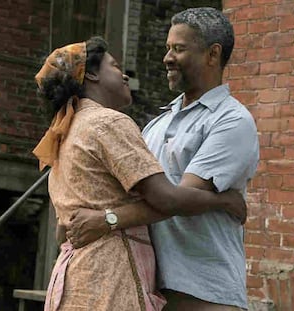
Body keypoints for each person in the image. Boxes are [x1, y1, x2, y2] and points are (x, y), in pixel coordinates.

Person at [33, 36, 247, 311]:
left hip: (73, 282)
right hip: (110, 281)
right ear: (93, 74)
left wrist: (103, 218)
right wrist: (222, 201)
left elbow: (63, 231)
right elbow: (166, 199)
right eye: (115, 66)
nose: (124, 74)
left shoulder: (63, 133)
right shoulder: (107, 123)